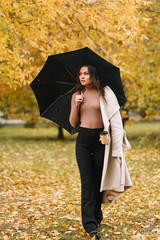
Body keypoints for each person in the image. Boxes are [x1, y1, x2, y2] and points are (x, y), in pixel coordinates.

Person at [69, 64, 132, 239]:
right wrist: (75, 105)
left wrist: (109, 136)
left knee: (98, 182)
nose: (82, 77)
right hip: (83, 141)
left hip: (101, 141)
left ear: (93, 75)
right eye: (80, 74)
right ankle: (89, 224)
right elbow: (73, 123)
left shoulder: (105, 93)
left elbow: (113, 119)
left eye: (86, 73)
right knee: (87, 183)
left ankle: (96, 217)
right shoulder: (77, 95)